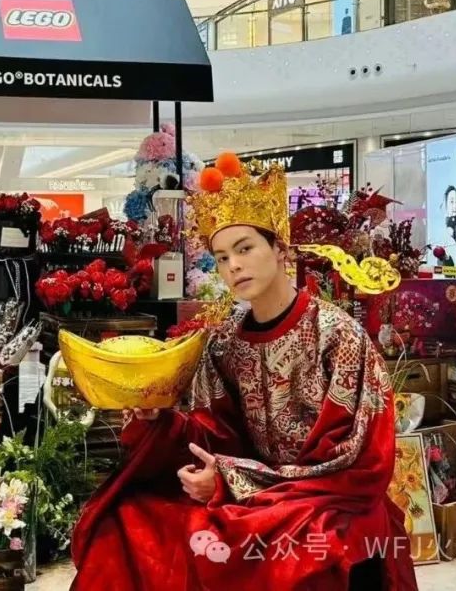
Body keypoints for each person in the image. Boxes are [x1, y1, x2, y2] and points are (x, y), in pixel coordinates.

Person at [71, 161, 416, 590]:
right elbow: (212, 432)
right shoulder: (225, 341)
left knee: (286, 553)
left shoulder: (337, 335)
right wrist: (157, 418)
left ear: (281, 249)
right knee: (130, 517)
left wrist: (231, 479)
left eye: (245, 248)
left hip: (324, 496)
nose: (233, 265)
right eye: (222, 257)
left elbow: (354, 458)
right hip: (254, 492)